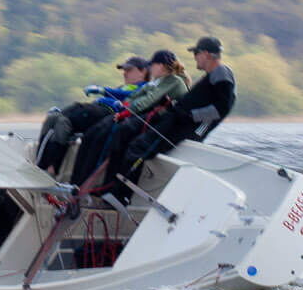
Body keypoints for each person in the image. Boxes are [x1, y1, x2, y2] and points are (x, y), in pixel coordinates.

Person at [98, 36, 238, 195]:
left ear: (205, 53)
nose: (195, 58)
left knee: (137, 148)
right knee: (132, 141)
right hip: (175, 121)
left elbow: (222, 108)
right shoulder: (214, 74)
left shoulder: (221, 73)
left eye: (196, 53)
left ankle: (120, 196)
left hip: (181, 126)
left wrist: (188, 115)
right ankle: (113, 191)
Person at [68, 49, 190, 186]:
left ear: (160, 66)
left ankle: (94, 186)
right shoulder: (158, 81)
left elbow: (149, 100)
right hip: (145, 119)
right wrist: (124, 104)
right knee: (92, 134)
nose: (150, 68)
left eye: (153, 65)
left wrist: (126, 110)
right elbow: (136, 95)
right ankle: (76, 182)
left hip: (165, 126)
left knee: (110, 136)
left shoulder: (174, 81)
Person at [34, 56, 147, 174]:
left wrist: (103, 90)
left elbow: (128, 95)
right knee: (54, 118)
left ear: (143, 71)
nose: (124, 73)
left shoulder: (144, 87)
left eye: (129, 70)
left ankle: (50, 168)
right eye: (124, 70)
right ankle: (41, 165)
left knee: (63, 120)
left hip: (106, 113)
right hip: (94, 109)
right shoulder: (123, 86)